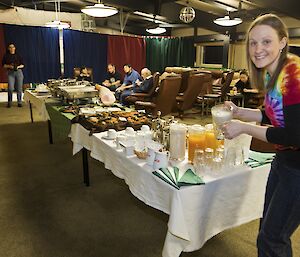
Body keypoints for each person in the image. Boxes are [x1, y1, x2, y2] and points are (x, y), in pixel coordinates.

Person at [222, 14, 300, 257]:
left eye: (266, 42)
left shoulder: (294, 75)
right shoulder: (271, 73)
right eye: (253, 43)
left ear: (283, 42)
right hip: (284, 162)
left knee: (272, 238)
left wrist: (243, 128)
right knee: (268, 229)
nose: (258, 49)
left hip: (297, 167)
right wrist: (239, 112)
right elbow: (273, 115)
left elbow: (293, 135)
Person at [2, 43, 24, 107]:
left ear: (15, 48)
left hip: (18, 72)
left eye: (13, 47)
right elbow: (3, 65)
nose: (12, 48)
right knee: (10, 88)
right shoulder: (6, 56)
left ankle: (19, 102)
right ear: (8, 49)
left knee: (19, 88)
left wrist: (17, 67)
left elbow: (23, 65)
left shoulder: (18, 55)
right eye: (10, 47)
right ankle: (9, 102)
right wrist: (9, 66)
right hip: (10, 72)